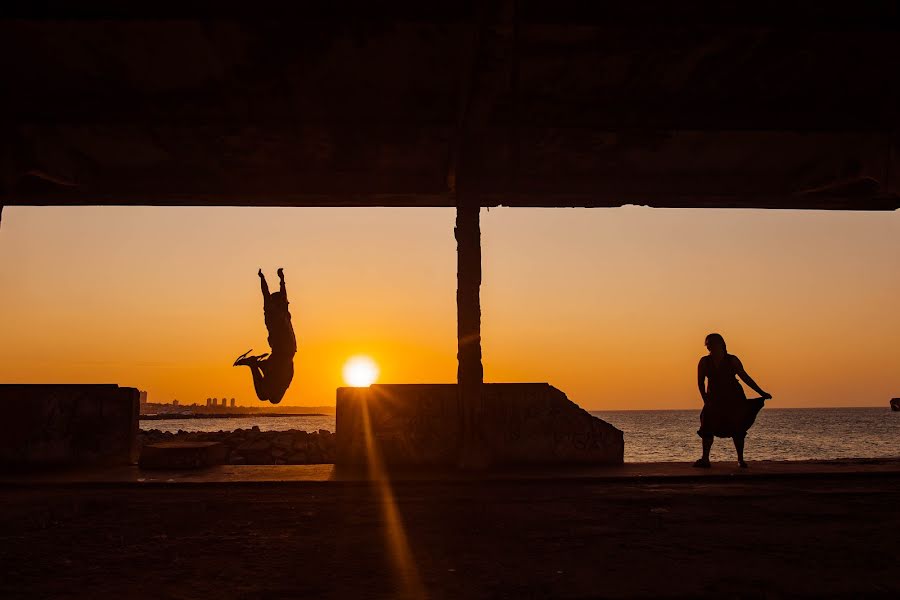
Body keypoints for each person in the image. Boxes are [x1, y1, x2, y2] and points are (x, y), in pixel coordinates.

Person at [694, 333, 771, 468]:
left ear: (721, 344)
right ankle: (705, 459)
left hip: (734, 398)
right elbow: (700, 383)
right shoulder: (704, 362)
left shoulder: (732, 360)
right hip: (714, 399)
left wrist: (761, 392)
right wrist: (705, 400)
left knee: (738, 427)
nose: (709, 346)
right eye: (708, 344)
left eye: (712, 343)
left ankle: (740, 460)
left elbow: (745, 377)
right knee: (707, 426)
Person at [233, 268, 297, 404]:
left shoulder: (272, 313)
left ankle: (255, 364)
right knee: (270, 397)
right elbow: (270, 295)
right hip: (283, 355)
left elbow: (266, 294)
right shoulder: (280, 313)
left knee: (267, 397)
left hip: (282, 356)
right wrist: (280, 279)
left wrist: (267, 279)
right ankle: (255, 365)